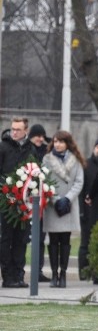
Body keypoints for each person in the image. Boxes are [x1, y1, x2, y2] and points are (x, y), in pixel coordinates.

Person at [41, 130, 85, 288]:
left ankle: (63, 274)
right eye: (55, 141)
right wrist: (55, 199)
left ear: (67, 143)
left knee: (65, 240)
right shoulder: (46, 159)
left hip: (69, 205)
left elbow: (79, 182)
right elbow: (43, 180)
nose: (58, 144)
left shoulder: (76, 160)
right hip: (53, 205)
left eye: (61, 141)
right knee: (53, 241)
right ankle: (54, 274)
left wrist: (67, 199)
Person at [0, 117, 38, 288]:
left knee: (21, 240)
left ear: (26, 131)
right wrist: (8, 195)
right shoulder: (3, 147)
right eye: (12, 129)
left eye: (18, 129)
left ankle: (19, 275)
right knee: (6, 239)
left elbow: (37, 174)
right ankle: (7, 277)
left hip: (24, 203)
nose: (14, 132)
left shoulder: (31, 150)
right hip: (6, 202)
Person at [78, 137, 98, 280]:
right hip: (87, 209)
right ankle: (84, 272)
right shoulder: (86, 165)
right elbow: (82, 188)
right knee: (85, 242)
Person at [28, 123, 50, 283]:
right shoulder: (27, 150)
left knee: (40, 237)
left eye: (42, 136)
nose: (40, 139)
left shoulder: (46, 152)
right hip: (27, 198)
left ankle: (38, 269)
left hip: (43, 199)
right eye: (37, 136)